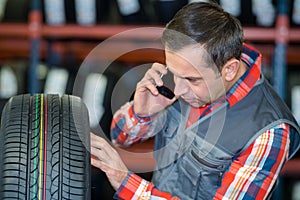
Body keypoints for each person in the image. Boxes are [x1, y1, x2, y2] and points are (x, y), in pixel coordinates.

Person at [90, 1, 300, 199]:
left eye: (192, 79)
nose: (179, 90)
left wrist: (124, 181)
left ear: (229, 70)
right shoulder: (185, 77)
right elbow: (121, 138)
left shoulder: (269, 132)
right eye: (174, 73)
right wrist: (141, 113)